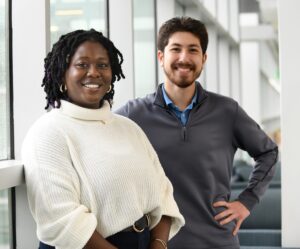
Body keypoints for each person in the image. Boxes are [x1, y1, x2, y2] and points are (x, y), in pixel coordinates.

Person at [116, 17, 278, 249]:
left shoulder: (227, 111)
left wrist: (246, 201)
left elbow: (269, 152)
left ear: (203, 59)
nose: (184, 58)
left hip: (217, 241)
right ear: (161, 57)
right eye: (176, 49)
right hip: (158, 244)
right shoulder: (133, 114)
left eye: (193, 50)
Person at [21, 29, 184, 249]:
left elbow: (163, 195)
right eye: (82, 64)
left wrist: (159, 244)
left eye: (102, 65)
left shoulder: (129, 128)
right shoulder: (47, 133)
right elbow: (62, 220)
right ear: (62, 74)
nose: (94, 72)